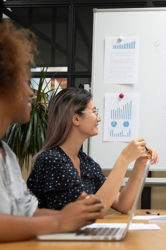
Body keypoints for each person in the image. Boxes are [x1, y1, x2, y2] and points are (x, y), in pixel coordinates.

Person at [0, 20, 104, 242]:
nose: (31, 93)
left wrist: (72, 219)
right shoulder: (52, 159)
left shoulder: (6, 153)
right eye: (23, 82)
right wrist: (59, 221)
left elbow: (26, 214)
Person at [27, 88, 158, 216]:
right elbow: (94, 211)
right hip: (53, 237)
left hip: (77, 236)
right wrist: (123, 159)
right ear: (76, 119)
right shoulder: (51, 160)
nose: (99, 118)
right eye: (94, 111)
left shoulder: (86, 163)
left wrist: (140, 163)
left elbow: (122, 204)